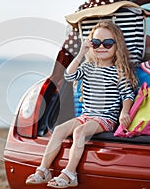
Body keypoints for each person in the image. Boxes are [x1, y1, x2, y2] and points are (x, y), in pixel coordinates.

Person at [25, 21, 137, 188]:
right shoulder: (87, 67)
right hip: (86, 116)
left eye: (107, 43)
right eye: (96, 43)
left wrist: (125, 112)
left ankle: (70, 173)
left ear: (117, 46)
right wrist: (80, 54)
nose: (101, 47)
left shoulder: (118, 71)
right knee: (59, 130)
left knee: (79, 131)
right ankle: (43, 169)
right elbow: (69, 76)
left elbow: (127, 95)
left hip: (105, 118)